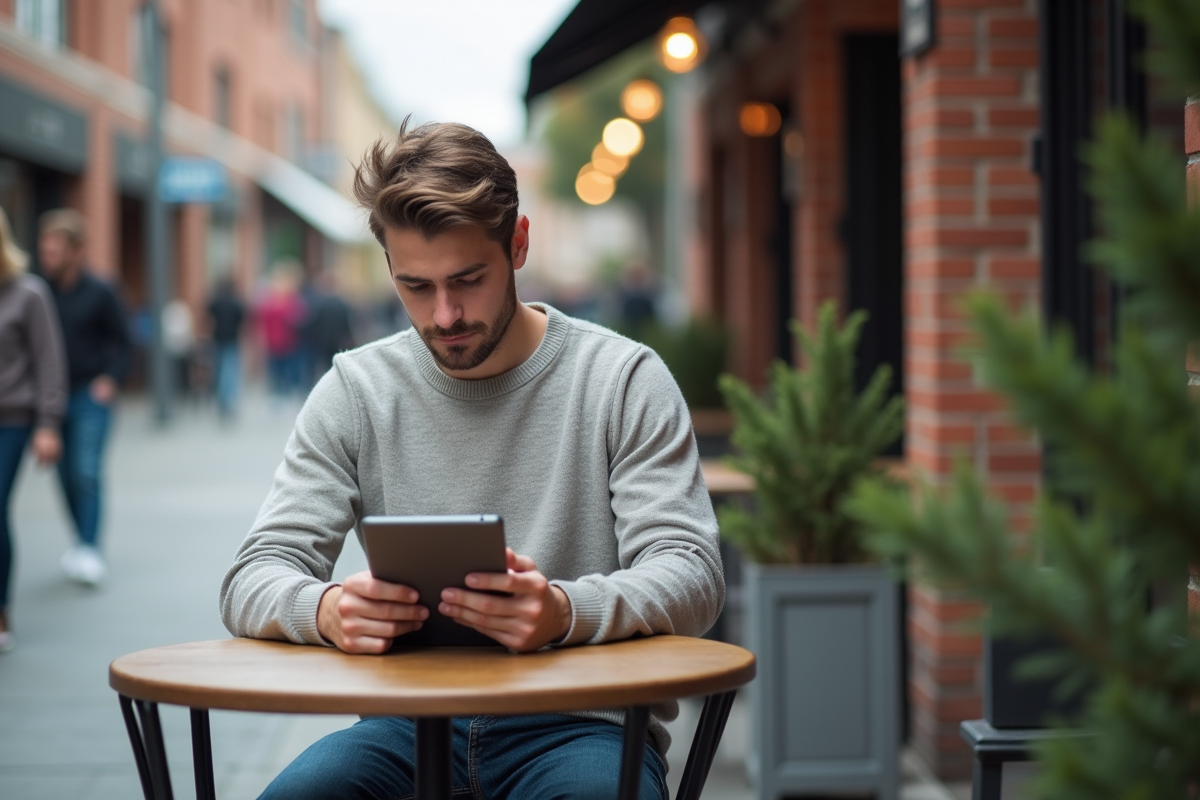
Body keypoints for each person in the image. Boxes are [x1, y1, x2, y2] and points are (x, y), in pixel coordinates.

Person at [220, 120, 724, 800]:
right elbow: (252, 576)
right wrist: (328, 609)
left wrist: (563, 612)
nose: (446, 314)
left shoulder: (622, 377)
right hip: (405, 728)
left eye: (467, 279)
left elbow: (693, 573)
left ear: (517, 244)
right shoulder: (356, 390)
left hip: (581, 725)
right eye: (416, 287)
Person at [37, 209, 131, 587]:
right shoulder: (39, 291)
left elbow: (124, 341)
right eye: (44, 250)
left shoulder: (102, 290)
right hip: (51, 397)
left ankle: (90, 548)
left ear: (76, 251)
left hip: (91, 394)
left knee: (85, 470)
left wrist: (110, 378)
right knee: (63, 475)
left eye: (55, 250)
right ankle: (79, 541)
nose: (47, 257)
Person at [0, 208, 67, 650]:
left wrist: (48, 423)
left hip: (12, 419)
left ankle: (1, 611)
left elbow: (48, 361)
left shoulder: (28, 293)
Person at [255, 263, 307, 403]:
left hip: (289, 342)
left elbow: (301, 318)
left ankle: (287, 392)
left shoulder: (292, 300)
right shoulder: (268, 302)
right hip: (273, 342)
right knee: (275, 370)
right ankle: (277, 394)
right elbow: (262, 322)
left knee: (288, 369)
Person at [300, 269, 355, 385]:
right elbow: (347, 323)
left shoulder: (320, 303)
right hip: (338, 341)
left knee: (323, 365)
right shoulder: (342, 303)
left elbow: (314, 323)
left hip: (323, 341)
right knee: (334, 364)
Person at [206, 276, 246, 419]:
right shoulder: (235, 302)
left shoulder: (215, 302)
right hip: (232, 340)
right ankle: (228, 400)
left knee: (220, 370)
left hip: (218, 340)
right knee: (230, 372)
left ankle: (222, 400)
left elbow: (207, 315)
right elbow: (242, 318)